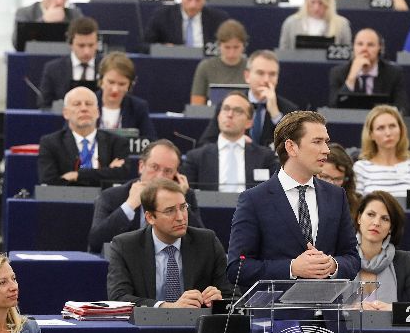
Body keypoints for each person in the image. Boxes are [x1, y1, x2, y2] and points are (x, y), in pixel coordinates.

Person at [226, 110, 360, 289]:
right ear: (291, 147)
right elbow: (237, 268)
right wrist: (292, 268)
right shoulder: (254, 200)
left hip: (328, 314)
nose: (326, 150)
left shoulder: (336, 196)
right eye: (317, 142)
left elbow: (352, 257)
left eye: (326, 142)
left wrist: (333, 265)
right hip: (278, 314)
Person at [107, 178, 232, 307]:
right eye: (170, 211)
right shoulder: (125, 246)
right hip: (146, 325)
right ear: (150, 217)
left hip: (196, 325)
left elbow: (234, 297)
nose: (180, 217)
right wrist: (167, 307)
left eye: (183, 207)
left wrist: (218, 301)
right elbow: (118, 298)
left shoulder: (207, 242)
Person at [88, 139, 204, 254]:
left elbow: (201, 243)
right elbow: (96, 242)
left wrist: (179, 201)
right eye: (155, 167)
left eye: (168, 171)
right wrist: (130, 205)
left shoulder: (185, 196)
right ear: (141, 166)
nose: (160, 176)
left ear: (176, 176)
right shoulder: (112, 196)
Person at [355, 191, 410, 318]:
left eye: (385, 218)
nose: (376, 222)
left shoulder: (402, 260)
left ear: (391, 228)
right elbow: (319, 307)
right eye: (371, 214)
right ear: (359, 218)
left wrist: (395, 309)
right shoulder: (341, 257)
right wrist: (349, 308)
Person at [197, 50, 298, 147]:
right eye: (260, 73)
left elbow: (296, 148)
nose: (266, 80)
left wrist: (276, 116)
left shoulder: (289, 110)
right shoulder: (228, 105)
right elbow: (205, 143)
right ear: (247, 76)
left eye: (272, 74)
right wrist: (230, 142)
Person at [181, 92, 279, 191]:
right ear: (218, 117)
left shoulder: (266, 158)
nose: (230, 114)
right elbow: (187, 199)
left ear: (249, 123)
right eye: (226, 109)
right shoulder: (196, 158)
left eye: (238, 111)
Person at [37, 86, 130, 186]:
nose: (84, 108)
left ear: (98, 112)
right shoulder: (51, 143)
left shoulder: (117, 142)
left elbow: (123, 176)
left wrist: (77, 175)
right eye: (77, 104)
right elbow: (49, 181)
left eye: (89, 104)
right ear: (65, 113)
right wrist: (106, 172)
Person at [353, 105, 410, 197]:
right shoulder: (360, 168)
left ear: (401, 130)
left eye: (392, 126)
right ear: (371, 134)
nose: (388, 133)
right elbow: (357, 208)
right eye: (380, 128)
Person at [328, 28, 408, 113]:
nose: (364, 49)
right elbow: (334, 107)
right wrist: (351, 78)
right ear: (353, 47)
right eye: (360, 44)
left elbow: (402, 107)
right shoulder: (338, 72)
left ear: (379, 48)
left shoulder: (393, 73)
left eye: (370, 45)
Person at [145, 0, 229, 47]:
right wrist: (163, 48)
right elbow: (145, 45)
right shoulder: (163, 15)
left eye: (198, 0)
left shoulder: (219, 19)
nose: (193, 5)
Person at [38, 16, 99, 108]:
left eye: (91, 45)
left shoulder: (107, 68)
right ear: (70, 44)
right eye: (81, 46)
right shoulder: (53, 69)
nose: (87, 51)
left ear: (97, 43)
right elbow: (44, 105)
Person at [95, 52, 156, 139]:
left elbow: (150, 142)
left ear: (130, 85)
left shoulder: (138, 107)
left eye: (122, 84)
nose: (115, 89)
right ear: (101, 80)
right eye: (111, 82)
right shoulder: (87, 103)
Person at [12, 0, 82, 47]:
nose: (60, 1)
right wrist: (44, 21)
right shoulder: (25, 13)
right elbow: (17, 44)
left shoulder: (74, 15)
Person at [278, 0, 351, 50]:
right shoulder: (290, 24)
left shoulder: (341, 25)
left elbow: (347, 56)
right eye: (312, 2)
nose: (316, 8)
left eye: (321, 3)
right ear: (306, 0)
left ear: (328, 2)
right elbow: (283, 54)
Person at [190, 19, 248, 106]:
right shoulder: (206, 67)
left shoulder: (253, 66)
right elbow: (196, 105)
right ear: (219, 45)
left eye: (236, 47)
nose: (231, 53)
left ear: (243, 46)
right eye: (227, 47)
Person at [318, 142, 360, 215]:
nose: (331, 184)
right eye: (325, 177)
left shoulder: (357, 205)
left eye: (337, 179)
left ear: (346, 180)